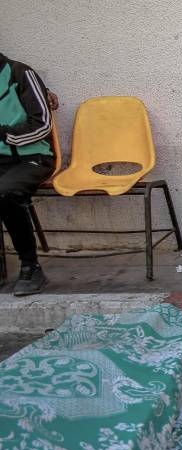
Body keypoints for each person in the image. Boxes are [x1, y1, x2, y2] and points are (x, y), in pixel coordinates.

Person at [0, 52, 57, 296]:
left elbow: (42, 125)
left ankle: (30, 266)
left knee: (5, 193)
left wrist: (4, 135)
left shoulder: (19, 73)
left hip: (32, 157)